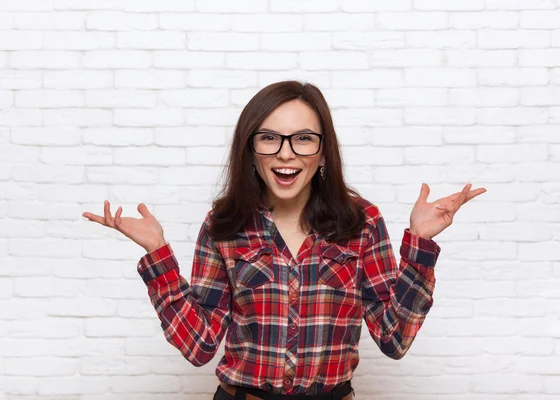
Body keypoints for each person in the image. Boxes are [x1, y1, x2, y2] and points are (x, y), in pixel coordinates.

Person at [83, 81, 487, 400]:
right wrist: (159, 257)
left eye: (303, 138)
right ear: (251, 150)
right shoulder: (224, 225)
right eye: (269, 138)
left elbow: (395, 339)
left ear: (323, 151)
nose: (286, 154)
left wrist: (419, 246)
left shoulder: (362, 222)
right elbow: (199, 345)